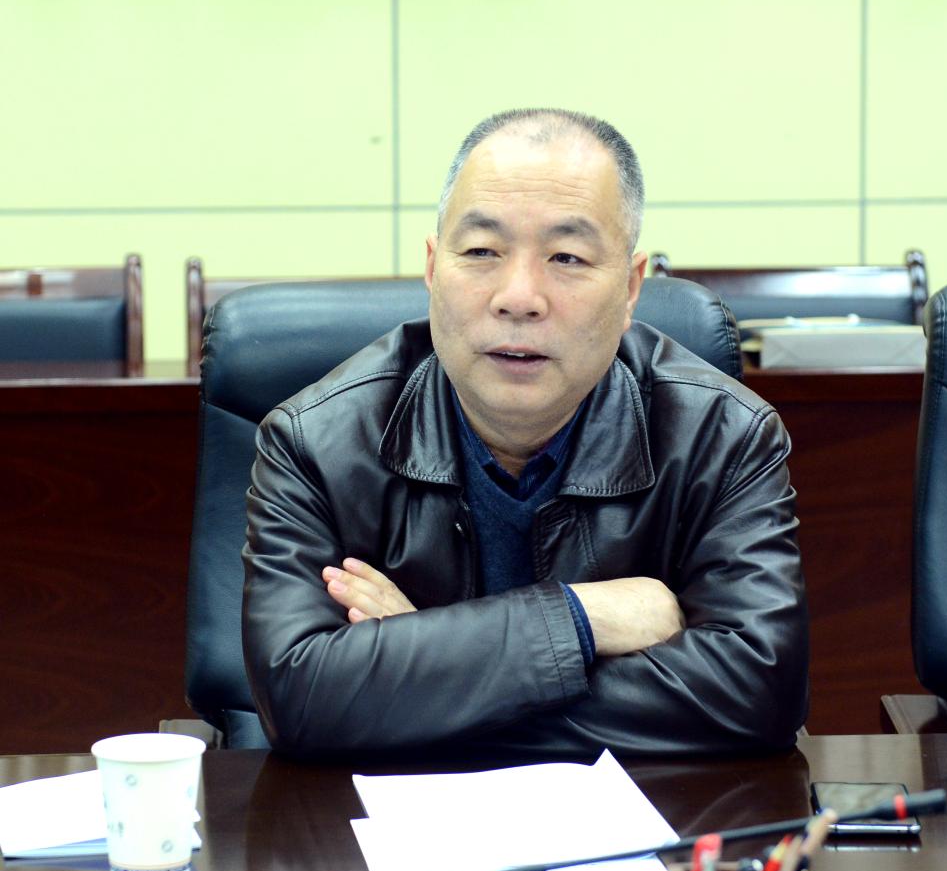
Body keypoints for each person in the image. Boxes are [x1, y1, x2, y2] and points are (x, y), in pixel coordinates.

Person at [242, 108, 808, 759]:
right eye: (482, 252)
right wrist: (584, 618)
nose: (519, 297)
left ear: (630, 289)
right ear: (432, 268)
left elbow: (760, 691)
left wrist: (426, 666)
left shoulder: (724, 437)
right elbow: (300, 699)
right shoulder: (313, 442)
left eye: (567, 257)